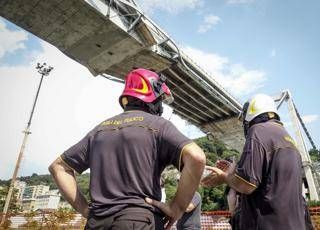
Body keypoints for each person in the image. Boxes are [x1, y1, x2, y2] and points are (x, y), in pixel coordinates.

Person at [49, 68, 206, 230]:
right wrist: (177, 208)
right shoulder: (159, 125)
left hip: (97, 222)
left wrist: (84, 209)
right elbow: (197, 157)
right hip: (139, 220)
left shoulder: (99, 130)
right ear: (154, 96)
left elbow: (58, 167)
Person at [202, 94, 306, 230]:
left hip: (268, 224)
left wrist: (224, 177)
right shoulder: (288, 139)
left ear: (250, 115)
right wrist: (234, 171)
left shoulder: (257, 131)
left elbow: (246, 184)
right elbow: (270, 179)